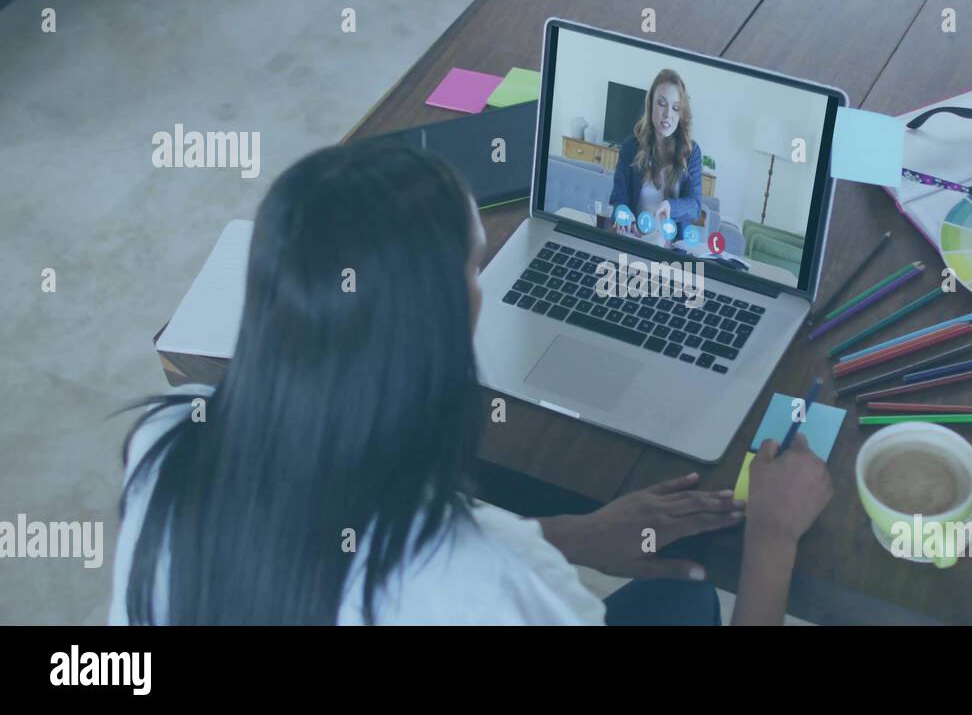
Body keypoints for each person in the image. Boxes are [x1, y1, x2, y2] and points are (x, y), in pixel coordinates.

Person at [111, 139, 830, 625]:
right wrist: (771, 537)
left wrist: (576, 534)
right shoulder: (489, 587)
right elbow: (451, 567)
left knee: (675, 603)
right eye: (474, 264)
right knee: (688, 602)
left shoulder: (166, 442)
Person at [609, 68, 703, 247]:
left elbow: (695, 207)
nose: (668, 114)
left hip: (670, 252)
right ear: (650, 104)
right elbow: (617, 199)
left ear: (681, 113)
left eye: (675, 108)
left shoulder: (692, 153)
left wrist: (670, 206)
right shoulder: (630, 146)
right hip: (634, 241)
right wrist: (623, 214)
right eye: (661, 103)